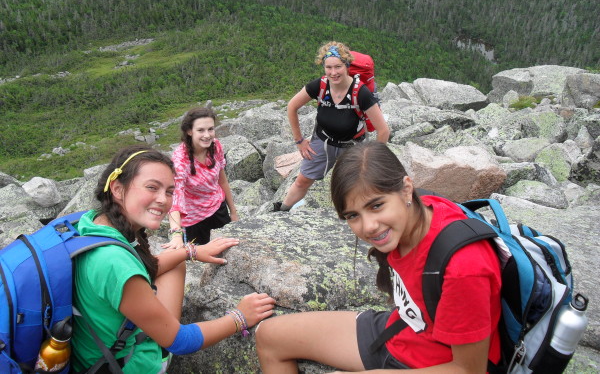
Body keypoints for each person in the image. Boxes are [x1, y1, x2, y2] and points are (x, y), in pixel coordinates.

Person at [257, 141, 501, 373]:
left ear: (407, 189)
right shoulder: (421, 207)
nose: (369, 227)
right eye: (352, 215)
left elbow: (469, 370)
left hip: (437, 363)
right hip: (403, 329)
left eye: (376, 206)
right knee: (268, 336)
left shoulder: (464, 266)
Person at [72, 145, 275, 373]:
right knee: (171, 327)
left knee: (176, 260)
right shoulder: (113, 262)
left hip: (91, 354)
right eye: (152, 187)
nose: (163, 200)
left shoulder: (92, 222)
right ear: (117, 189)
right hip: (127, 366)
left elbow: (144, 268)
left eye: (169, 191)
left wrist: (192, 252)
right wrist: (239, 317)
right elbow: (180, 342)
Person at [274, 41, 390, 212]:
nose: (333, 73)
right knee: (302, 181)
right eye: (328, 67)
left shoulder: (361, 93)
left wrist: (373, 159)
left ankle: (356, 217)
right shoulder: (320, 86)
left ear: (347, 66)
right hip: (322, 141)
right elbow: (292, 106)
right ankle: (282, 210)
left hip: (351, 147)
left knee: (353, 188)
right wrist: (299, 141)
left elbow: (383, 130)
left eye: (338, 67)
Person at [163, 107, 238, 249]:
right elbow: (175, 197)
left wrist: (233, 212)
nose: (207, 135)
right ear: (189, 131)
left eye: (211, 129)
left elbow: (222, 180)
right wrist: (176, 234)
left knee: (228, 250)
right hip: (194, 221)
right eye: (201, 130)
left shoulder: (215, 146)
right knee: (201, 261)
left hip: (218, 209)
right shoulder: (180, 160)